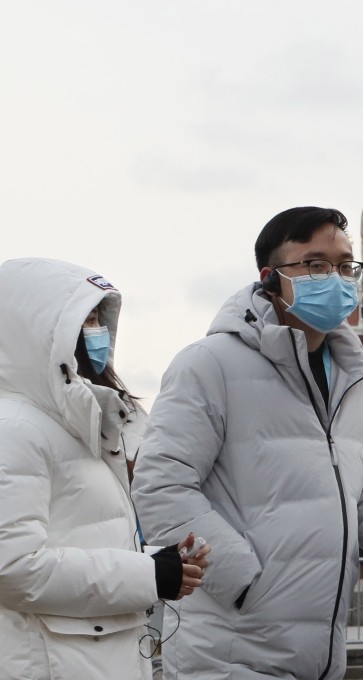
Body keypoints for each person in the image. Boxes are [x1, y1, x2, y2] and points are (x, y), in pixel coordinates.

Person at [131, 207, 363, 680]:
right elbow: (159, 484)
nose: (334, 277)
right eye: (314, 264)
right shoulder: (209, 364)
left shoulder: (356, 379)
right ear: (270, 279)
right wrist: (246, 584)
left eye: (345, 265)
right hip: (230, 655)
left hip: (322, 656)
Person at [0, 258, 207, 680]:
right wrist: (148, 575)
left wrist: (159, 563)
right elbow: (14, 569)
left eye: (100, 319)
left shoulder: (78, 424)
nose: (97, 333)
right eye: (84, 320)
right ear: (36, 332)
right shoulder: (15, 429)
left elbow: (79, 536)